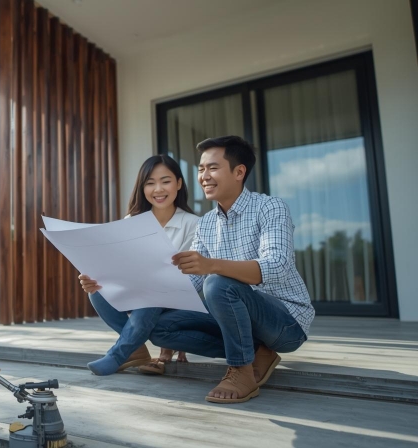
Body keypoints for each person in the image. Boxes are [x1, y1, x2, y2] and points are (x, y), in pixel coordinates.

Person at [154, 135, 314, 404]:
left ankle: (240, 370)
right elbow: (190, 284)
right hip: (237, 321)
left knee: (217, 283)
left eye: (212, 168)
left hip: (286, 322)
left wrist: (212, 266)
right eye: (201, 169)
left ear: (239, 172)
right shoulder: (205, 223)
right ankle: (255, 351)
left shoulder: (270, 207)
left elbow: (277, 266)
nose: (204, 176)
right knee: (160, 327)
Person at [78, 154, 200, 376]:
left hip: (176, 297)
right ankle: (137, 349)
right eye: (150, 183)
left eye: (166, 181)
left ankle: (118, 354)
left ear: (179, 184)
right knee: (97, 291)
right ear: (142, 188)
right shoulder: (131, 221)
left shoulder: (194, 224)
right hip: (139, 292)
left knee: (150, 294)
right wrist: (96, 275)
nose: (158, 189)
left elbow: (190, 275)